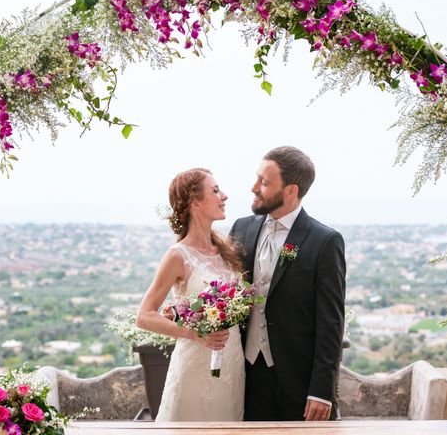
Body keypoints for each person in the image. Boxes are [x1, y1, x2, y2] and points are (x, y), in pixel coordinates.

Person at [229, 146, 346, 421]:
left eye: (265, 182)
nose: (254, 187)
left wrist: (321, 391)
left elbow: (331, 321)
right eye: (257, 178)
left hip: (299, 381)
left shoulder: (324, 241)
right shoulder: (241, 229)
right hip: (246, 376)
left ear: (291, 190)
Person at [136, 168, 245, 422]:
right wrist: (196, 334)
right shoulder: (178, 255)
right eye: (215, 191)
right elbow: (144, 316)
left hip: (232, 363)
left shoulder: (226, 250)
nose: (224, 196)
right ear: (195, 203)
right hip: (195, 365)